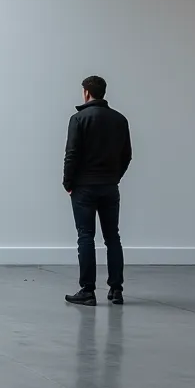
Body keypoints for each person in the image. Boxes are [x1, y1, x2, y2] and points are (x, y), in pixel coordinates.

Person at [62, 76, 132, 307]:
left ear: (86, 93)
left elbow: (71, 154)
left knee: (86, 236)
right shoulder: (120, 120)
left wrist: (68, 183)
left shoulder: (78, 119)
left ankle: (88, 291)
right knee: (113, 237)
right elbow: (127, 155)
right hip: (110, 187)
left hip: (84, 187)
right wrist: (114, 177)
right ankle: (116, 289)